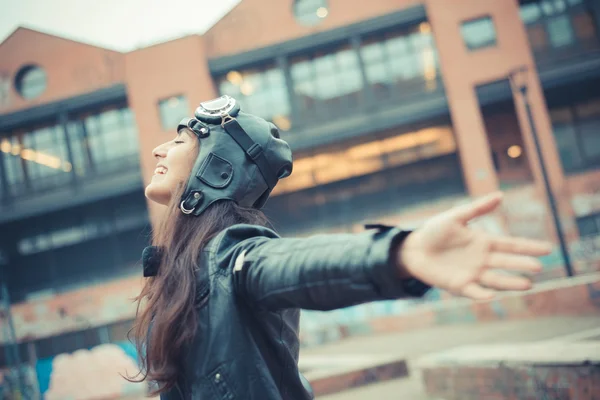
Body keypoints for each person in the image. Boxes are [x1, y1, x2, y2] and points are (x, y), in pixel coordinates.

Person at [131, 95, 551, 399]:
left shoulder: (230, 255)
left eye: (181, 141)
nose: (159, 149)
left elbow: (295, 264)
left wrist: (398, 253)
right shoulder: (184, 266)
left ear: (216, 167)